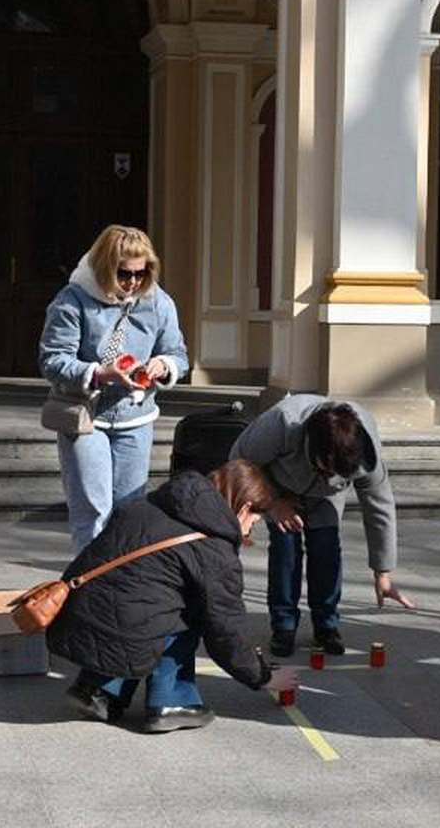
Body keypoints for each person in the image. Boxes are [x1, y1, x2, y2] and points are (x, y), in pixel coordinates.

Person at [49, 460, 292, 731]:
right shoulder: (214, 548)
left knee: (143, 598)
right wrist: (263, 676)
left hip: (79, 614)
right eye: (255, 520)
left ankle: (98, 689)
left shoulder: (154, 502)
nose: (250, 529)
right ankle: (171, 701)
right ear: (244, 508)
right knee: (190, 610)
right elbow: (226, 630)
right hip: (123, 624)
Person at [39, 225, 189, 551]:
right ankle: (92, 579)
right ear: (105, 267)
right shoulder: (73, 299)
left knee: (130, 512)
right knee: (94, 510)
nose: (133, 282)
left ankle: (120, 580)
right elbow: (52, 360)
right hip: (86, 416)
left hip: (136, 417)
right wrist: (99, 373)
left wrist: (163, 365)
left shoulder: (158, 302)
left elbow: (179, 355)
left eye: (141, 273)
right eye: (124, 273)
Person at [228, 396, 409, 658]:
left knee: (326, 548)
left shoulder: (365, 447)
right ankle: (283, 626)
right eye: (325, 468)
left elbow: (379, 505)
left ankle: (327, 625)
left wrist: (383, 572)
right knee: (285, 549)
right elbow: (239, 463)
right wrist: (273, 503)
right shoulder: (282, 423)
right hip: (277, 485)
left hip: (327, 497)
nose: (327, 474)